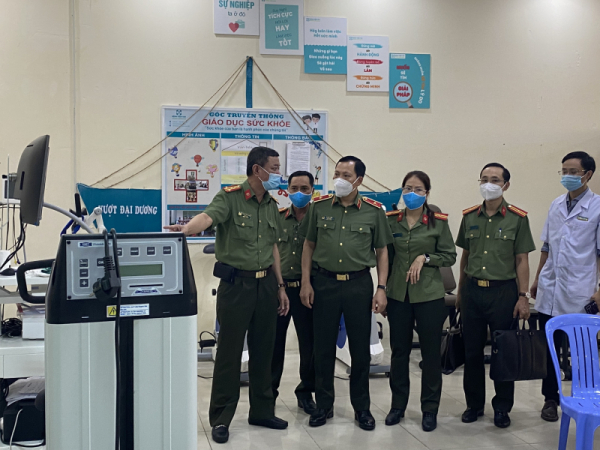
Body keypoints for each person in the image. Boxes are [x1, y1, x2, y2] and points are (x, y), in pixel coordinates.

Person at [164, 146, 290, 444]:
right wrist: (185, 230)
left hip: (266, 286)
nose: (278, 173)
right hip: (237, 287)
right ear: (257, 170)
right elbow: (207, 219)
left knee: (264, 352)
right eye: (274, 167)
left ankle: (262, 410)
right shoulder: (231, 198)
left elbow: (273, 247)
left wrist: (281, 286)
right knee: (229, 355)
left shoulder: (271, 204)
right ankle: (221, 418)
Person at [300, 156, 392, 431]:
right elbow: (308, 246)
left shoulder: (374, 211)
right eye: (337, 174)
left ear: (359, 180)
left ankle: (362, 408)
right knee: (323, 348)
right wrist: (306, 282)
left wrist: (381, 288)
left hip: (358, 285)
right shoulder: (319, 207)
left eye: (346, 175)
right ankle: (324, 406)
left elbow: (382, 251)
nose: (339, 179)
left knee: (360, 351)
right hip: (324, 283)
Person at [455, 162, 536, 429]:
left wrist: (523, 296)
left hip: (503, 293)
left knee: (504, 353)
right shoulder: (469, 217)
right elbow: (465, 255)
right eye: (484, 179)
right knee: (472, 353)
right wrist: (460, 291)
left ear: (506, 185)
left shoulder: (517, 218)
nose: (488, 184)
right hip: (473, 292)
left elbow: (521, 260)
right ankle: (474, 405)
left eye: (495, 179)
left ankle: (502, 407)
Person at [530, 151, 600, 422]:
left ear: (588, 174)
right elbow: (547, 245)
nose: (568, 177)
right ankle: (551, 399)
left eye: (573, 172)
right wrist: (538, 278)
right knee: (550, 347)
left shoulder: (596, 207)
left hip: (580, 289)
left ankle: (584, 397)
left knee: (582, 349)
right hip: (551, 286)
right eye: (564, 172)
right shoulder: (556, 204)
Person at [385, 171, 457, 432]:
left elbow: (449, 256)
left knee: (430, 354)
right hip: (398, 295)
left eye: (417, 189)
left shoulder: (437, 222)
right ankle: (397, 406)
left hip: (429, 295)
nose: (411, 194)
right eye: (407, 188)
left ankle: (429, 409)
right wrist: (383, 290)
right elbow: (386, 258)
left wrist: (425, 257)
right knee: (399, 352)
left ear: (427, 192)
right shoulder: (391, 220)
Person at [271, 170, 317, 415]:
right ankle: (269, 393)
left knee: (309, 345)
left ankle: (306, 392)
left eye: (305, 189)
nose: (299, 193)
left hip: (307, 291)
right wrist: (279, 286)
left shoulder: (319, 217)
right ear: (287, 190)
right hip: (280, 290)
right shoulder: (278, 217)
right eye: (295, 188)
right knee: (273, 344)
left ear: (313, 190)